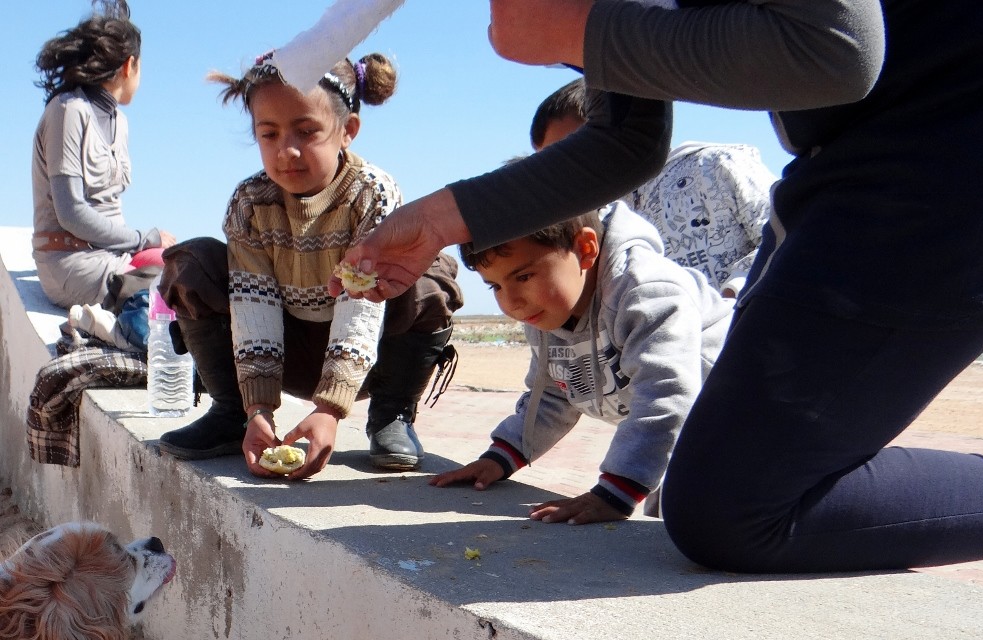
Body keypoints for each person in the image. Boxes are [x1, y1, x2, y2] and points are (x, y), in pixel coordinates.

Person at [342, 0, 983, 573]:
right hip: (843, 156)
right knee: (723, 482)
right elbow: (625, 143)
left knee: (728, 503)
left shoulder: (646, 289)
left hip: (971, 123)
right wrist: (432, 222)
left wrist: (584, 31)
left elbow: (839, 49)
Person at [156, 52, 462, 478]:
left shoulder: (372, 193)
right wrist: (257, 407)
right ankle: (232, 417)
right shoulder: (250, 203)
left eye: (306, 131)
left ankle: (391, 416)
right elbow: (252, 306)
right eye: (269, 134)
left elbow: (363, 303)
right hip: (288, 353)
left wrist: (330, 408)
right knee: (192, 264)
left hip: (370, 357)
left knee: (431, 276)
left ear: (347, 131)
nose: (287, 151)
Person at [431, 203, 732, 524]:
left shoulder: (646, 291)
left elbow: (666, 395)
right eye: (496, 286)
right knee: (673, 524)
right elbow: (552, 395)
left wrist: (614, 493)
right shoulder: (546, 313)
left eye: (524, 275)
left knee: (712, 526)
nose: (511, 302)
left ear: (585, 249)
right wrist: (500, 458)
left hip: (747, 415)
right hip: (687, 433)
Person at [531, 78, 775, 298]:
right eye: (552, 165)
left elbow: (787, 234)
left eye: (569, 155)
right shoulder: (595, 218)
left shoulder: (715, 166)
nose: (564, 173)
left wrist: (732, 294)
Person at [31, 0, 175, 310]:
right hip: (72, 262)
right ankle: (110, 332)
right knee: (174, 294)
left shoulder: (121, 123)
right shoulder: (68, 111)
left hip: (115, 256)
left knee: (196, 266)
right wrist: (145, 238)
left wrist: (145, 245)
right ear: (129, 65)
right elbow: (71, 213)